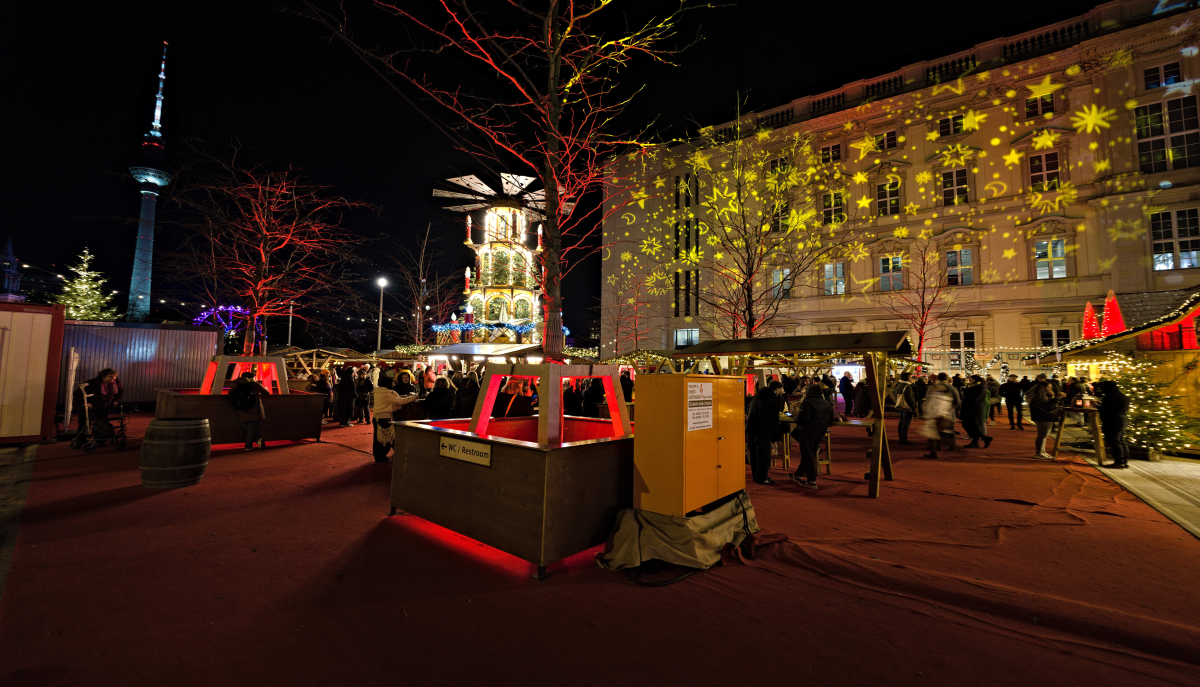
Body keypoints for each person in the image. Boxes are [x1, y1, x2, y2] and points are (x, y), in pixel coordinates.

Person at [789, 383, 834, 489]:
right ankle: (798, 474)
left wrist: (796, 417)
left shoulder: (807, 402)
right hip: (820, 432)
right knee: (810, 454)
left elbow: (803, 418)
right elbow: (831, 419)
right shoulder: (826, 403)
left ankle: (811, 480)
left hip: (807, 431)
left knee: (807, 455)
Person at [371, 376, 418, 463]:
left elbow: (395, 400)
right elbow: (400, 401)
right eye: (392, 383)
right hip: (384, 418)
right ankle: (381, 457)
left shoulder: (379, 392)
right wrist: (414, 397)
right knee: (386, 438)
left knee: (378, 438)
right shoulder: (387, 393)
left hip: (378, 417)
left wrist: (405, 396)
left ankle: (378, 457)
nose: (393, 384)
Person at [745, 382, 783, 485]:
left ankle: (756, 476)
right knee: (763, 456)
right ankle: (762, 478)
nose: (780, 392)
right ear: (776, 389)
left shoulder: (757, 397)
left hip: (751, 430)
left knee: (754, 454)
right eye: (780, 389)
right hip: (763, 432)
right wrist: (775, 438)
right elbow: (773, 421)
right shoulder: (773, 401)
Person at [921, 373, 960, 458]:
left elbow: (928, 401)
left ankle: (934, 451)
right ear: (947, 379)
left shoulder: (932, 388)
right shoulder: (952, 388)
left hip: (934, 414)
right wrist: (951, 408)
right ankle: (951, 445)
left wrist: (926, 413)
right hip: (947, 413)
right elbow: (957, 401)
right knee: (949, 430)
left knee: (933, 434)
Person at [230, 370, 270, 451]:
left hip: (241, 410)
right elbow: (267, 393)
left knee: (249, 427)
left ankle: (258, 439)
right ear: (252, 378)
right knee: (252, 428)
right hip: (254, 410)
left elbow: (229, 392)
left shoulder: (237, 384)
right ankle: (248, 446)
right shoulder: (255, 384)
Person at [1094, 380, 1130, 469]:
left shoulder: (1110, 396)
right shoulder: (1122, 396)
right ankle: (1124, 461)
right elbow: (1115, 406)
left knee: (1114, 441)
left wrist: (1096, 405)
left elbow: (1106, 410)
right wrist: (1102, 405)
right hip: (1122, 419)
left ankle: (1119, 462)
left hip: (1112, 420)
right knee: (1121, 440)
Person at [1026, 375, 1061, 459]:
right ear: (1043, 388)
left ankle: (1042, 451)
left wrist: (1052, 397)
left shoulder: (1044, 395)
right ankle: (1039, 453)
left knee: (1044, 435)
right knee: (1042, 435)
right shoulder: (1038, 397)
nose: (1051, 389)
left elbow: (1050, 405)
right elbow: (1048, 407)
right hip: (1041, 417)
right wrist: (1056, 398)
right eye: (1049, 387)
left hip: (1044, 417)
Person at [960, 375, 993, 449]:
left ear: (976, 380)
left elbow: (975, 398)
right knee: (970, 425)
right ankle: (981, 439)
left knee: (972, 425)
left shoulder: (981, 387)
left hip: (974, 409)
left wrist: (966, 391)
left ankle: (977, 441)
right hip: (970, 408)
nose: (970, 381)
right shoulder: (974, 387)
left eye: (971, 379)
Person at [890, 372, 918, 444]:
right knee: (906, 423)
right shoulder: (907, 386)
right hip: (906, 407)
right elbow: (910, 399)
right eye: (910, 377)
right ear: (906, 378)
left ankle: (901, 437)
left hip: (900, 406)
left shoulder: (899, 385)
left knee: (901, 422)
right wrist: (914, 408)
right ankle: (904, 439)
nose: (912, 379)